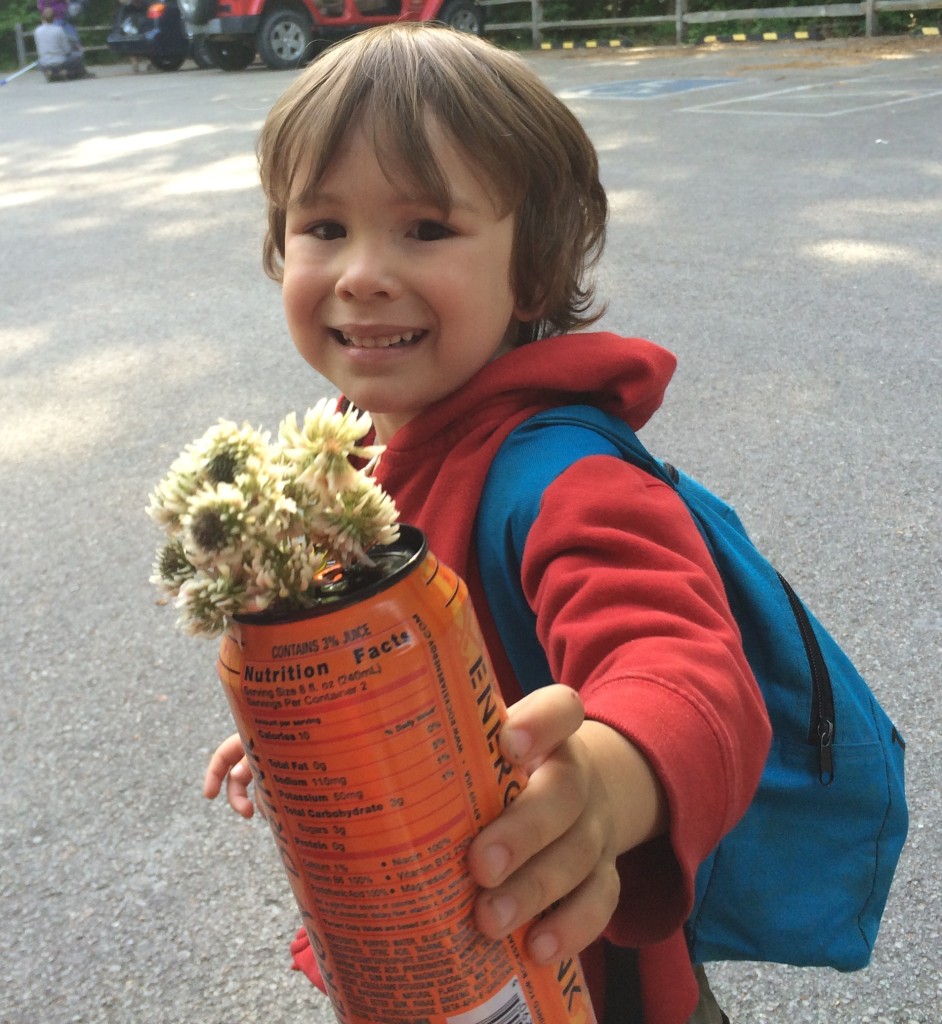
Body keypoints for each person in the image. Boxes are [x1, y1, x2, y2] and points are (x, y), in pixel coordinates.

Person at [202, 23, 771, 1024]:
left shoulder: (563, 478)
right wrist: (309, 722)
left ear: (535, 269)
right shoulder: (347, 449)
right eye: (323, 226)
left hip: (579, 971)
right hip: (428, 959)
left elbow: (689, 670)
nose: (362, 271)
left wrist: (604, 784)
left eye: (425, 228)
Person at [34, 7, 93, 81]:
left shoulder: (37, 31)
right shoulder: (59, 30)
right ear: (54, 18)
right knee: (78, 55)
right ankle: (67, 73)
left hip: (43, 62)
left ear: (42, 18)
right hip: (59, 61)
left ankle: (50, 73)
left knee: (38, 62)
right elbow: (66, 49)